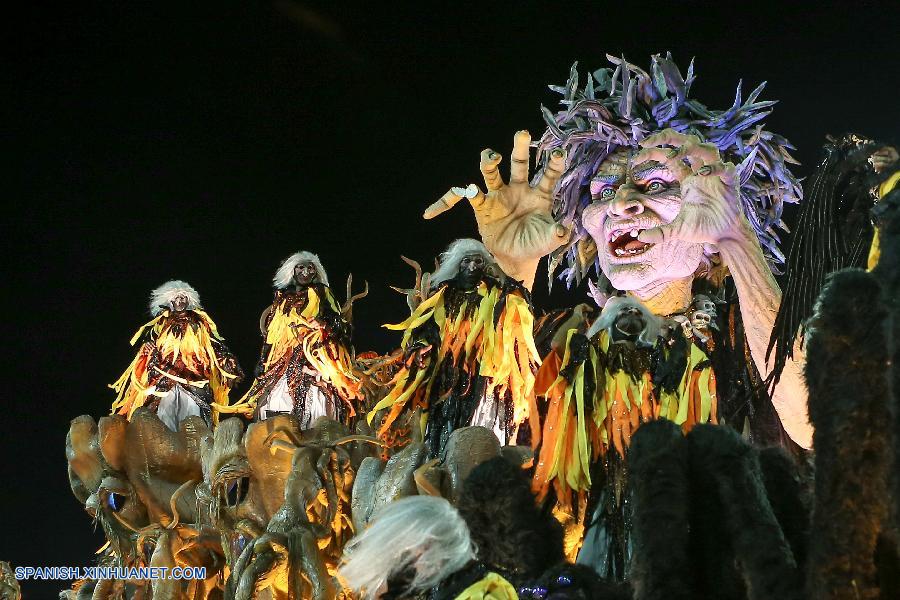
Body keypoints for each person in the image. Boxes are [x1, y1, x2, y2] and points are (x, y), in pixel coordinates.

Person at [423, 53, 810, 571]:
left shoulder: (746, 335)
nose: (622, 203)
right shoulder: (566, 338)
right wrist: (510, 272)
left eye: (655, 185)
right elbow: (480, 416)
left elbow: (812, 420)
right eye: (604, 190)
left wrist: (737, 240)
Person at [368, 239, 540, 457]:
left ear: (485, 265)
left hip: (485, 374)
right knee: (445, 423)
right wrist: (420, 347)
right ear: (458, 264)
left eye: (477, 261)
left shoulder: (498, 293)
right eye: (466, 261)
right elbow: (426, 328)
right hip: (448, 376)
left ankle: (485, 466)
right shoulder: (444, 295)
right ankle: (442, 463)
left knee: (482, 426)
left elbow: (518, 317)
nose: (472, 267)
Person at [225, 251, 363, 427]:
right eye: (301, 267)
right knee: (271, 396)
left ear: (316, 272)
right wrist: (263, 360)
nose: (305, 272)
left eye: (310, 268)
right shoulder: (282, 298)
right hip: (283, 359)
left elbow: (339, 324)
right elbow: (273, 333)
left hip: (314, 356)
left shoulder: (322, 292)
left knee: (323, 395)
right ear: (292, 270)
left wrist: (323, 323)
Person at [110, 280, 242, 430]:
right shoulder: (161, 323)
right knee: (164, 413)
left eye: (183, 298)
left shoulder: (199, 323)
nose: (179, 301)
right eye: (176, 298)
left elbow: (213, 343)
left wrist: (226, 359)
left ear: (189, 300)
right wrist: (146, 347)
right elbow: (148, 342)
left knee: (193, 412)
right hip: (164, 374)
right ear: (169, 301)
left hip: (193, 375)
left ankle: (195, 444)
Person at [339, 496, 517, 600]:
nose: (401, 562)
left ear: (427, 544)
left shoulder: (484, 593)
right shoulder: (446, 584)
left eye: (404, 552)